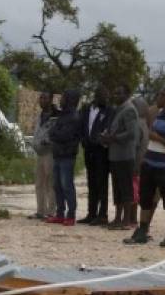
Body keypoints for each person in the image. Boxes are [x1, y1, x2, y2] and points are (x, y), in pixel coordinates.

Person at [124, 86, 165, 247]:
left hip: (164, 166)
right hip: (149, 162)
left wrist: (158, 138)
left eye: (159, 95)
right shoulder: (158, 115)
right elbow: (147, 115)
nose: (156, 98)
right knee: (145, 199)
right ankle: (142, 231)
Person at [101, 84, 139, 230]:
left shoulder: (129, 109)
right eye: (114, 93)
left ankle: (126, 220)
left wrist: (113, 138)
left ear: (127, 94)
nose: (115, 96)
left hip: (125, 155)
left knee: (126, 188)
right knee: (117, 188)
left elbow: (131, 133)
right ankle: (117, 218)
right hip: (115, 155)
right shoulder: (118, 109)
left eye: (119, 93)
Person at [46, 89, 83, 226]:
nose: (60, 100)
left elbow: (63, 135)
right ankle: (60, 213)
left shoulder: (74, 117)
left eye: (63, 97)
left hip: (67, 155)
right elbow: (54, 132)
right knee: (57, 186)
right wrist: (55, 133)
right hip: (58, 154)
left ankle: (71, 215)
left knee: (67, 185)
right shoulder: (63, 115)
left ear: (70, 100)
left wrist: (55, 132)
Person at [79, 86, 113, 225]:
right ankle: (91, 213)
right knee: (91, 182)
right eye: (104, 96)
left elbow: (107, 128)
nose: (106, 99)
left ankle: (102, 214)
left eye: (107, 97)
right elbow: (82, 126)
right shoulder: (86, 109)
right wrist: (84, 140)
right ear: (97, 96)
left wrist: (97, 141)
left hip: (101, 151)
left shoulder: (109, 111)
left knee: (102, 183)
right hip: (88, 150)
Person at [29, 92, 58, 220]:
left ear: (51, 100)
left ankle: (51, 212)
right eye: (41, 98)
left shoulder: (56, 116)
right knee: (39, 183)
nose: (42, 100)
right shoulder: (40, 116)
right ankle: (40, 211)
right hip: (39, 153)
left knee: (50, 183)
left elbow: (58, 135)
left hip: (50, 152)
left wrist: (49, 142)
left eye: (45, 98)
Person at [131, 96, 150, 226]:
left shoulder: (137, 124)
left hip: (135, 163)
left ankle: (132, 218)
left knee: (133, 191)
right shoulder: (145, 124)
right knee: (137, 191)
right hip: (143, 162)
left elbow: (134, 146)